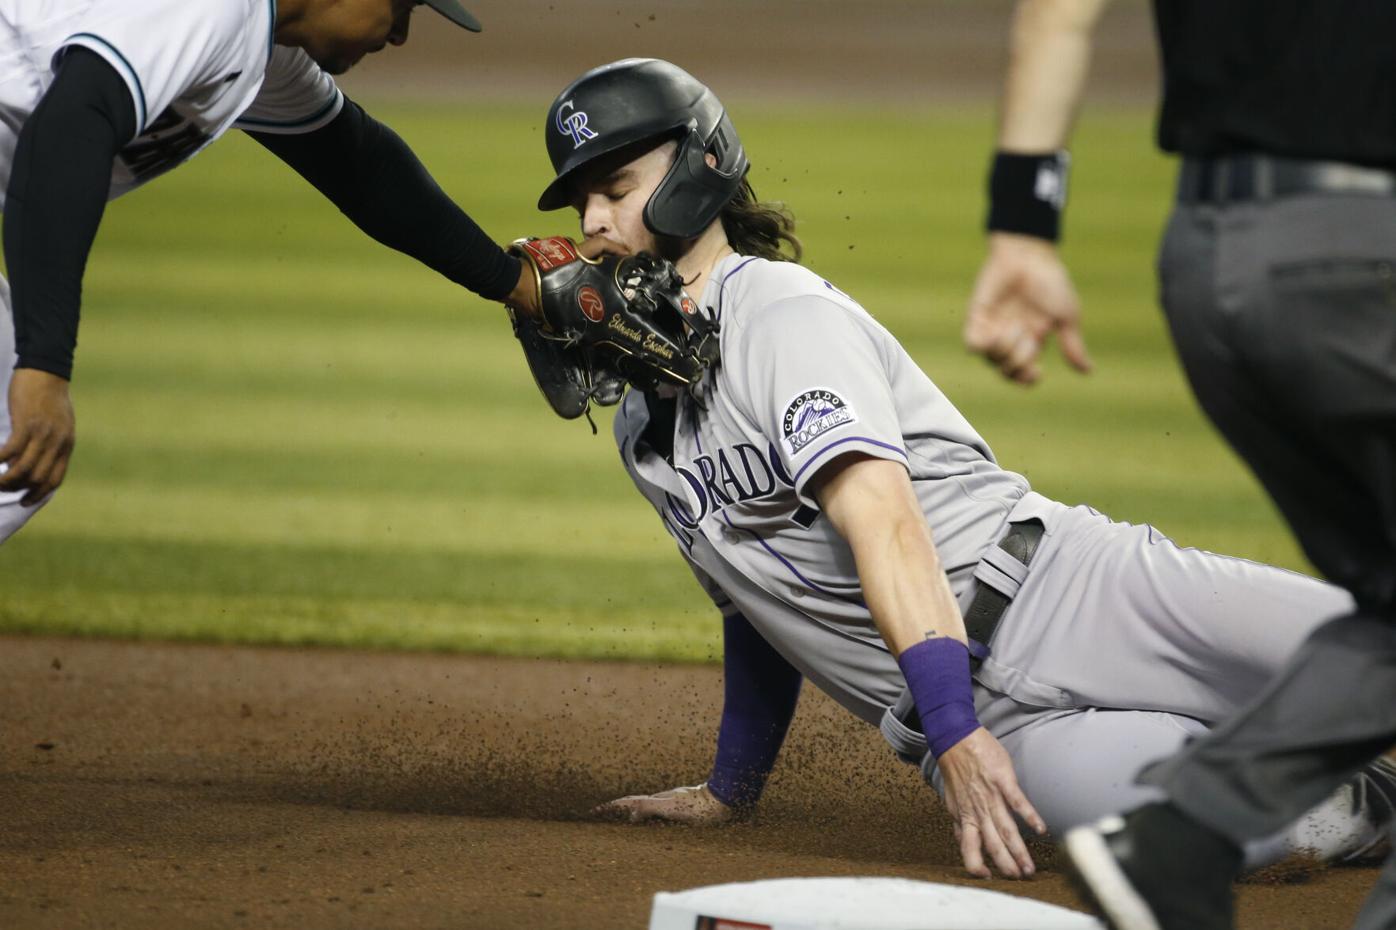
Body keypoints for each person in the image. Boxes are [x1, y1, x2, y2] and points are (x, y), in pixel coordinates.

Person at [509, 57, 1396, 882]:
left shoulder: (780, 315)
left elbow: (884, 521)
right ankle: (1360, 800)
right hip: (1000, 727)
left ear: (699, 169)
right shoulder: (640, 430)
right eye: (582, 202)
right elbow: (759, 608)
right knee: (1219, 833)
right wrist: (730, 789)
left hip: (1075, 592)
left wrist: (955, 723)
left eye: (615, 189)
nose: (591, 223)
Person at [959, 2, 1396, 925]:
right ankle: (1190, 827)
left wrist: (1021, 224)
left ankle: (1183, 834)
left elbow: (1055, 14)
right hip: (1361, 255)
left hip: (1205, 261)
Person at [0, 0, 549, 544]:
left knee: (16, 460)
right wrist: (45, 364)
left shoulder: (260, 46)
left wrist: (517, 283)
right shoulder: (211, 11)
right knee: (16, 442)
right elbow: (73, 124)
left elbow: (361, 163)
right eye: (400, 8)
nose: (399, 34)